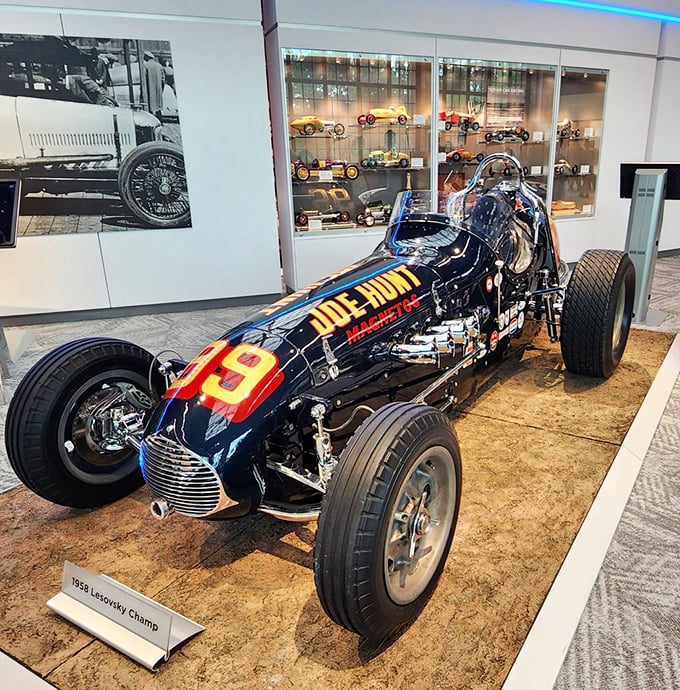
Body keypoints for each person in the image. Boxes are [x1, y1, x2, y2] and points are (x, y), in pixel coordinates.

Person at [143, 50, 164, 119]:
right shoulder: (159, 66)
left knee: (149, 103)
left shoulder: (145, 65)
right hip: (158, 87)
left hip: (149, 88)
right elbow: (163, 79)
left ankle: (151, 119)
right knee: (158, 104)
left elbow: (143, 78)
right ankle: (160, 119)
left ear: (147, 57)